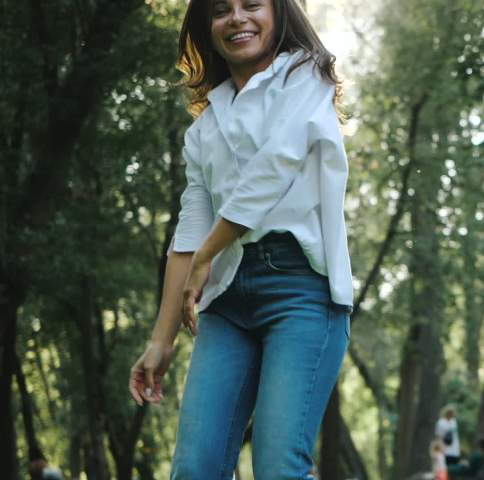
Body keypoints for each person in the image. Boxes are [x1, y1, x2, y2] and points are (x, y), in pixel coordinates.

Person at [128, 0, 352, 478]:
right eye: (220, 10)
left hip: (301, 292)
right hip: (226, 303)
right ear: (205, 28)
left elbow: (275, 166)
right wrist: (161, 340)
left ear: (280, 13)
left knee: (278, 468)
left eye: (252, 4)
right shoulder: (205, 125)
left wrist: (209, 253)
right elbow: (190, 229)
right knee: (194, 470)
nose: (237, 18)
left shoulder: (307, 76)